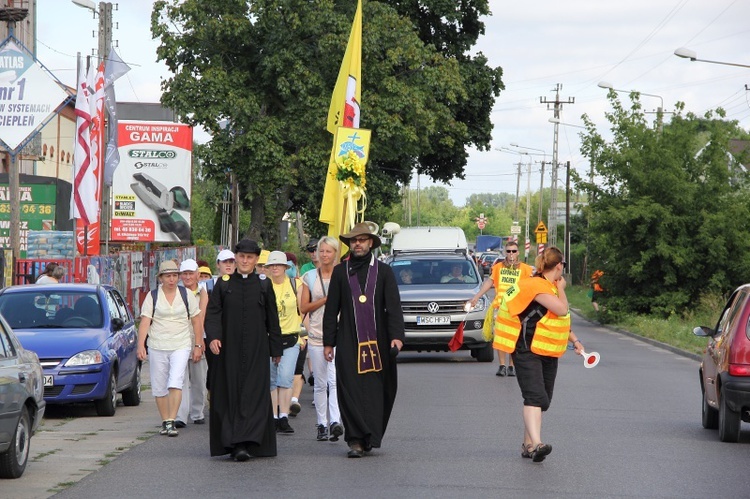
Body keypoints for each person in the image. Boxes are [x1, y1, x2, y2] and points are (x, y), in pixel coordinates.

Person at [493, 246, 584, 463]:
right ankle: (537, 444)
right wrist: (562, 288)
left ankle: (528, 444)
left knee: (543, 400)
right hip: (527, 349)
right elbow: (562, 310)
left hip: (546, 349)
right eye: (563, 266)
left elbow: (557, 320)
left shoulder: (547, 286)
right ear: (559, 265)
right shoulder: (538, 286)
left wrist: (576, 341)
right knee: (534, 397)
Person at [323, 222, 405, 458]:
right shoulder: (340, 271)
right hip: (348, 339)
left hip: (378, 341)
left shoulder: (384, 272)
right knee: (349, 389)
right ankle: (355, 439)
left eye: (362, 239)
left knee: (374, 389)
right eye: (353, 240)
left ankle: (371, 435)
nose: (357, 243)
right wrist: (329, 342)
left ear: (370, 243)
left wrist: (397, 337)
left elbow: (394, 308)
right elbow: (331, 310)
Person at [204, 239, 283, 461]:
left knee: (254, 394)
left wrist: (276, 348)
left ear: (257, 260)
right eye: (241, 256)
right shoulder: (224, 284)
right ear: (236, 258)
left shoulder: (263, 284)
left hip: (258, 349)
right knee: (231, 393)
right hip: (228, 350)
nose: (245, 261)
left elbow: (272, 319)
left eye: (250, 257)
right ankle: (236, 443)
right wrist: (214, 337)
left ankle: (253, 441)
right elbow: (213, 314)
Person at [137, 260, 203, 437]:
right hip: (158, 345)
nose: (172, 279)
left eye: (175, 275)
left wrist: (198, 344)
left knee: (176, 381)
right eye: (168, 276)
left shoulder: (186, 294)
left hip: (180, 344)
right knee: (159, 386)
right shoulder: (153, 296)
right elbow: (145, 321)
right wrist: (141, 345)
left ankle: (172, 420)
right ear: (161, 278)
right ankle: (165, 420)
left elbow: (196, 320)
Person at [300, 236, 344, 442]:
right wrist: (326, 300)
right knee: (320, 383)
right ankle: (321, 423)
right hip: (317, 334)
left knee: (335, 381)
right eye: (322, 251)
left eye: (329, 251)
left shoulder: (343, 275)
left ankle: (335, 421)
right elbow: (304, 307)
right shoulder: (309, 277)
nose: (325, 255)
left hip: (338, 334)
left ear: (336, 253)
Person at [470, 240, 534, 377]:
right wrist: (477, 297)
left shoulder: (525, 269)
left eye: (514, 251)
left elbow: (530, 287)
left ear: (518, 253)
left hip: (517, 308)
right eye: (509, 251)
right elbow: (489, 282)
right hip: (500, 308)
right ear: (505, 252)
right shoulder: (498, 267)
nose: (511, 254)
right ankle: (502, 366)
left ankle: (512, 366)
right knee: (500, 337)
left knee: (514, 337)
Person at [265, 250, 303, 434]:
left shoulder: (296, 284)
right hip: (269, 337)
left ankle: (284, 416)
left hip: (291, 336)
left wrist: (303, 334)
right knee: (271, 380)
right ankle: (273, 416)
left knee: (286, 377)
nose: (275, 268)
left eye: (278, 265)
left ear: (285, 267)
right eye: (272, 265)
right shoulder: (264, 285)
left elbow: (303, 310)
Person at [175, 259, 209, 428]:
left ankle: (197, 412)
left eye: (190, 274)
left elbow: (201, 318)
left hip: (196, 338)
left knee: (198, 379)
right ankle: (180, 415)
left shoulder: (202, 292)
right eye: (184, 274)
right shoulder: (175, 292)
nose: (188, 277)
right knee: (180, 379)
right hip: (179, 341)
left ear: (197, 275)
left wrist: (199, 342)